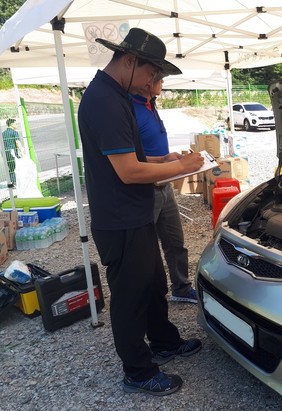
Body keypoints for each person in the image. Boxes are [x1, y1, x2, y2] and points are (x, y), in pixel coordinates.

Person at [77, 28, 205, 396]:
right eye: (151, 73)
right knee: (131, 296)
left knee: (152, 284)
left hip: (134, 213)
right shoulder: (104, 100)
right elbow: (128, 172)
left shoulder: (115, 96)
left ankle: (163, 341)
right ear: (130, 61)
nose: (152, 82)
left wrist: (162, 160)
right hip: (120, 219)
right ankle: (137, 370)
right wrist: (181, 167)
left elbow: (128, 156)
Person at [132, 73, 197, 304]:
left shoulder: (150, 105)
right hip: (145, 189)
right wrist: (163, 162)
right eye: (160, 79)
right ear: (147, 82)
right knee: (146, 249)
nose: (163, 83)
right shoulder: (130, 109)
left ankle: (181, 287)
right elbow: (131, 159)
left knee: (175, 241)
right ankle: (148, 296)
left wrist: (166, 158)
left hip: (164, 184)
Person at [2, 118, 22, 184]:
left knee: (11, 167)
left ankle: (13, 181)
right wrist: (21, 151)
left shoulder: (3, 133)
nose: (17, 125)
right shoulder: (14, 132)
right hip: (12, 152)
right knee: (17, 166)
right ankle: (17, 181)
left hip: (5, 153)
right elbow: (17, 142)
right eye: (16, 124)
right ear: (12, 124)